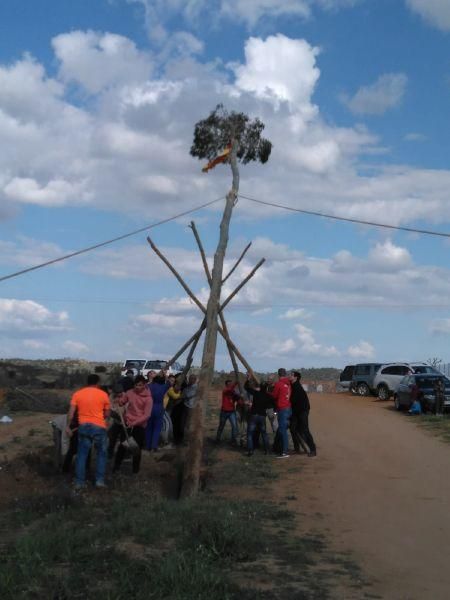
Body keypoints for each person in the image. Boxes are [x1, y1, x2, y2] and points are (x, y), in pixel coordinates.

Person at [66, 373, 110, 489]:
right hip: (99, 427)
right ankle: (99, 481)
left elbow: (71, 413)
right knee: (101, 453)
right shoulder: (104, 394)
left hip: (83, 426)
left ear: (87, 382)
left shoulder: (77, 394)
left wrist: (68, 426)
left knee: (82, 455)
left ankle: (79, 482)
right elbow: (107, 414)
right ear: (98, 383)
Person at [113, 375, 152, 473]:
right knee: (122, 446)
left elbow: (147, 415)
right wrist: (119, 401)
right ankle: (116, 467)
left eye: (139, 385)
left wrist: (135, 423)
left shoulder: (148, 399)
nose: (137, 387)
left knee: (136, 449)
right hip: (127, 424)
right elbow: (122, 401)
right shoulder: (130, 392)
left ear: (144, 385)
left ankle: (135, 470)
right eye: (135, 385)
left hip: (139, 426)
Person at [244, 378, 274, 456]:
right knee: (264, 433)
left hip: (254, 415)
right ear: (266, 388)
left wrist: (248, 379)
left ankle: (250, 450)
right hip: (262, 416)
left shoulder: (256, 393)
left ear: (260, 387)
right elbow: (273, 402)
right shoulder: (268, 396)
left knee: (250, 433)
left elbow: (246, 387)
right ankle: (267, 450)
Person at [289, 371, 317, 457]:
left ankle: (313, 450)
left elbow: (293, 400)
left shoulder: (297, 387)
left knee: (304, 430)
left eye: (291, 375)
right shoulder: (293, 385)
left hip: (302, 411)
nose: (289, 376)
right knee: (293, 429)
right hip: (296, 411)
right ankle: (297, 448)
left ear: (296, 377)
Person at [146, 372, 171, 451]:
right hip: (159, 407)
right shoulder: (163, 387)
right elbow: (169, 383)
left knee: (149, 427)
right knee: (157, 428)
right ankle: (154, 446)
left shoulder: (149, 386)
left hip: (149, 407)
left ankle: (147, 446)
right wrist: (165, 375)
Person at [271, 368, 292, 458]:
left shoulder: (278, 384)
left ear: (278, 374)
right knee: (282, 430)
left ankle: (285, 451)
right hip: (289, 408)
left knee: (282, 430)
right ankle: (277, 447)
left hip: (282, 409)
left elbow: (274, 396)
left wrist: (269, 391)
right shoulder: (289, 383)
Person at [216, 380, 240, 445]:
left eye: (231, 383)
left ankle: (233, 440)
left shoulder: (233, 392)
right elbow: (229, 389)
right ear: (226, 385)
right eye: (229, 384)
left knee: (234, 426)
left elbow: (238, 398)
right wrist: (235, 383)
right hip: (224, 411)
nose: (230, 385)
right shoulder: (225, 390)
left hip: (232, 411)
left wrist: (240, 396)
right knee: (221, 426)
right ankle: (217, 439)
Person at [177, 374, 198, 445]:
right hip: (185, 406)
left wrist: (183, 396)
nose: (191, 380)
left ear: (195, 380)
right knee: (182, 423)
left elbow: (186, 396)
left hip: (191, 407)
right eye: (190, 378)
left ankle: (187, 440)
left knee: (188, 424)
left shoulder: (196, 388)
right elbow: (183, 396)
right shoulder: (187, 387)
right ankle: (182, 439)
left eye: (192, 379)